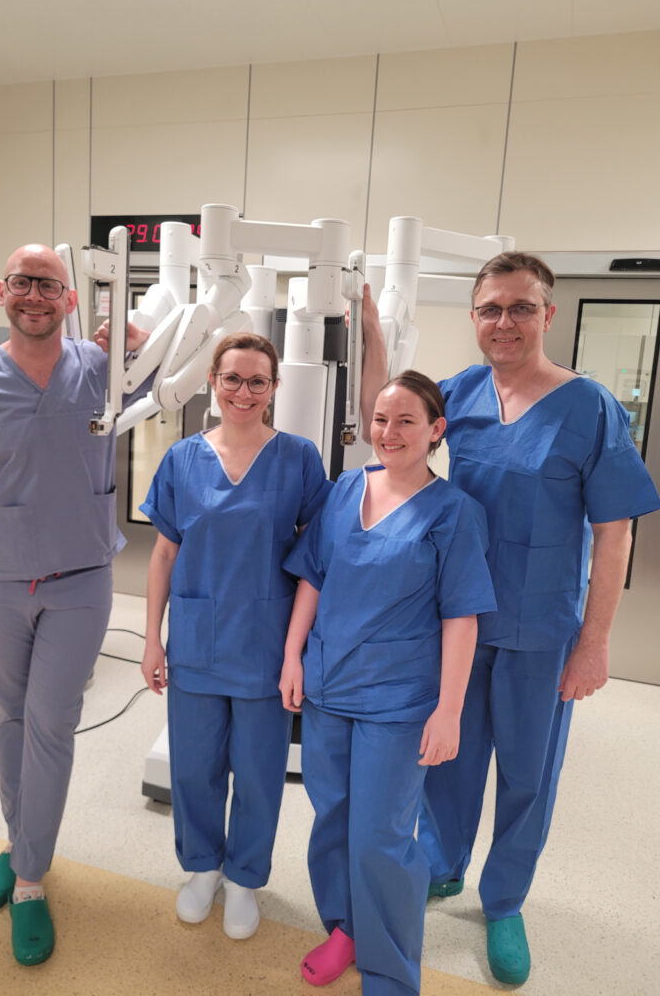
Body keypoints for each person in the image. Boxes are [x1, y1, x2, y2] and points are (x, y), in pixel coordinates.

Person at [409, 252, 660, 985]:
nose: (505, 322)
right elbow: (393, 431)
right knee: (448, 755)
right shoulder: (460, 392)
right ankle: (440, 863)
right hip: (462, 619)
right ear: (474, 317)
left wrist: (595, 643)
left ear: (548, 315)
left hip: (543, 627)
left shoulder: (589, 407)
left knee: (527, 772)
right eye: (491, 308)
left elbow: (615, 533)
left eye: (521, 307)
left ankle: (505, 900)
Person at [0, 243, 150, 966]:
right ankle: (24, 844)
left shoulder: (101, 368)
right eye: (22, 282)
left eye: (49, 284)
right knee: (10, 721)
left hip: (80, 579)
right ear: (2, 292)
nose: (35, 295)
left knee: (51, 724)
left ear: (70, 299)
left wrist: (137, 340)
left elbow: (169, 378)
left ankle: (27, 878)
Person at [280, 371, 497, 995]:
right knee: (333, 817)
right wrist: (293, 656)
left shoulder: (453, 513)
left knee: (382, 835)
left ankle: (391, 970)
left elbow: (462, 617)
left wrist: (449, 711)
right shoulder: (346, 488)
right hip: (329, 686)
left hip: (398, 701)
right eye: (380, 419)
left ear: (436, 430)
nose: (389, 431)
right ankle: (345, 929)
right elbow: (313, 577)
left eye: (406, 420)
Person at [140, 332, 332, 941]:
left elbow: (317, 561)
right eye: (232, 379)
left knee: (257, 770)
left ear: (274, 388)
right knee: (194, 766)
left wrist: (298, 651)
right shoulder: (182, 459)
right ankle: (202, 869)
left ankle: (245, 878)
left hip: (266, 644)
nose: (243, 392)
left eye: (257, 381)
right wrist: (151, 638)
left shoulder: (299, 458)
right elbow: (164, 553)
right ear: (212, 382)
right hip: (196, 640)